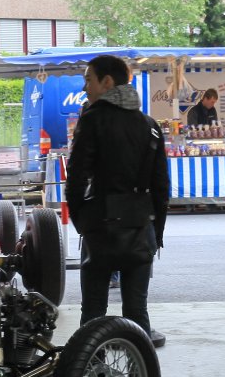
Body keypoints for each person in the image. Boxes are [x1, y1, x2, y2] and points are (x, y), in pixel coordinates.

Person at [65, 55, 169, 347]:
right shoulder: (149, 125)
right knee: (137, 311)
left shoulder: (92, 120)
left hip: (100, 226)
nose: (85, 88)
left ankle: (91, 369)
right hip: (139, 226)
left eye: (88, 80)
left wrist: (81, 221)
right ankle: (140, 371)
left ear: (107, 82)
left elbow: (76, 177)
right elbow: (161, 187)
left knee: (93, 312)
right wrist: (156, 232)